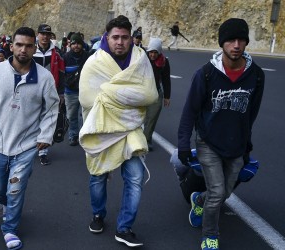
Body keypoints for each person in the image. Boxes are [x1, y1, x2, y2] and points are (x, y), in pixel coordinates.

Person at [177, 18, 264, 250]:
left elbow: (250, 114)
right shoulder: (205, 74)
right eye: (230, 40)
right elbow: (189, 112)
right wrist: (183, 143)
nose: (236, 45)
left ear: (246, 43)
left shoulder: (256, 75)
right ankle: (210, 235)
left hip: (235, 145)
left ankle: (199, 199)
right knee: (217, 192)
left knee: (224, 192)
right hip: (208, 142)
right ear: (222, 44)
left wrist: (246, 144)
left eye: (241, 40)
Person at [0, 26, 60, 250]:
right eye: (19, 45)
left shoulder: (44, 78)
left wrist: (46, 135)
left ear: (35, 48)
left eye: (29, 46)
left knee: (16, 188)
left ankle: (9, 229)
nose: (23, 49)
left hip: (26, 145)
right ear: (11, 46)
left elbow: (52, 109)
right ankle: (8, 207)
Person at [79, 15, 158, 247]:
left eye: (125, 37)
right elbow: (86, 99)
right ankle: (98, 214)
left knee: (134, 178)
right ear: (107, 37)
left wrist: (108, 94)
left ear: (131, 39)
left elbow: (150, 95)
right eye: (116, 37)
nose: (120, 42)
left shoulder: (140, 59)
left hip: (132, 130)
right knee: (98, 176)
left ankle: (124, 228)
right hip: (102, 130)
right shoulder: (94, 62)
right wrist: (126, 98)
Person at [32, 23, 65, 165]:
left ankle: (43, 151)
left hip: (51, 91)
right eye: (42, 34)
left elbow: (62, 73)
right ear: (37, 35)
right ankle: (29, 146)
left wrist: (61, 93)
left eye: (47, 34)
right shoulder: (31, 51)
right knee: (32, 119)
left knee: (47, 120)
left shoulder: (56, 53)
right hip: (32, 91)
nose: (45, 37)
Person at [143, 38, 171, 151]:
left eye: (155, 52)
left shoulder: (164, 62)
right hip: (142, 91)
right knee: (139, 117)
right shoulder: (142, 58)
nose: (153, 55)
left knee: (152, 117)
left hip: (156, 92)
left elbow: (166, 79)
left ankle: (146, 140)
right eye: (151, 52)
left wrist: (167, 96)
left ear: (159, 52)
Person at [63, 32, 89, 146]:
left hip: (85, 91)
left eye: (79, 43)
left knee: (84, 115)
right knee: (71, 116)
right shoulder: (66, 57)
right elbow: (62, 73)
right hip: (70, 92)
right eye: (74, 43)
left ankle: (84, 136)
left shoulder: (87, 56)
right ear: (70, 45)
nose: (76, 46)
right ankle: (73, 136)